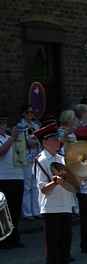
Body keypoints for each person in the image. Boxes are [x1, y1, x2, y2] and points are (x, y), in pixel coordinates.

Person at [33, 122, 81, 264]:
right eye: (52, 139)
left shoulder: (61, 158)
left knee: (66, 242)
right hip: (51, 207)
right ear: (45, 142)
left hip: (66, 204)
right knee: (53, 244)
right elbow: (43, 189)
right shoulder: (41, 160)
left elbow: (73, 182)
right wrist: (54, 182)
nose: (56, 142)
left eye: (57, 139)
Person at [0, 116, 24, 249]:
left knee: (15, 210)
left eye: (3, 123)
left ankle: (14, 238)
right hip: (3, 178)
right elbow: (1, 152)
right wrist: (12, 138)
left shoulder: (8, 137)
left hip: (17, 176)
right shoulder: (8, 138)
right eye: (1, 124)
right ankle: (4, 240)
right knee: (4, 211)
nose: (3, 126)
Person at [17, 105, 41, 221]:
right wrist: (34, 141)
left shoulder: (36, 126)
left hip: (36, 157)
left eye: (32, 113)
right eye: (28, 113)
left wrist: (35, 141)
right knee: (27, 186)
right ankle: (27, 212)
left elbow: (38, 140)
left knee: (35, 186)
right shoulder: (20, 126)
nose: (31, 115)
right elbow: (27, 142)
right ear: (24, 114)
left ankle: (36, 211)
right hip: (26, 158)